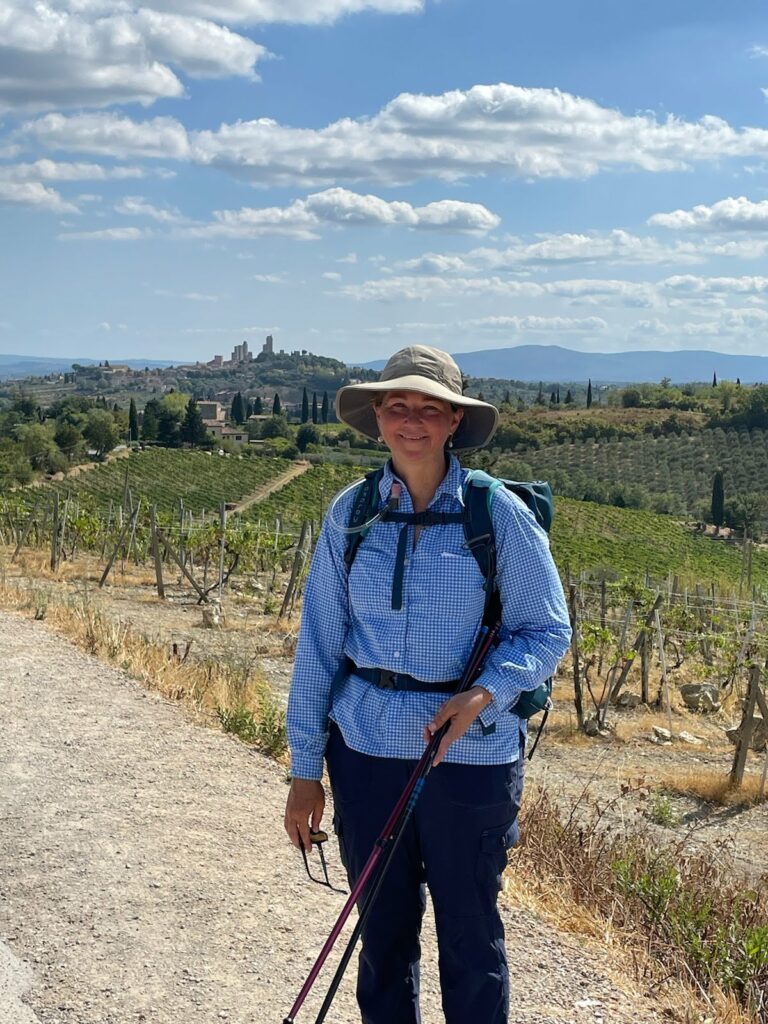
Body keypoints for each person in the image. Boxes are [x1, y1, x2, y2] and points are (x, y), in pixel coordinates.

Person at [284, 344, 571, 1024]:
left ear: (452, 423)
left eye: (429, 408)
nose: (411, 420)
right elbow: (319, 646)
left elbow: (547, 631)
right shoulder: (349, 515)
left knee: (472, 945)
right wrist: (303, 771)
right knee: (380, 942)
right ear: (378, 418)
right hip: (364, 756)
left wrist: (483, 695)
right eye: (397, 405)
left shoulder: (496, 514)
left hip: (470, 762)